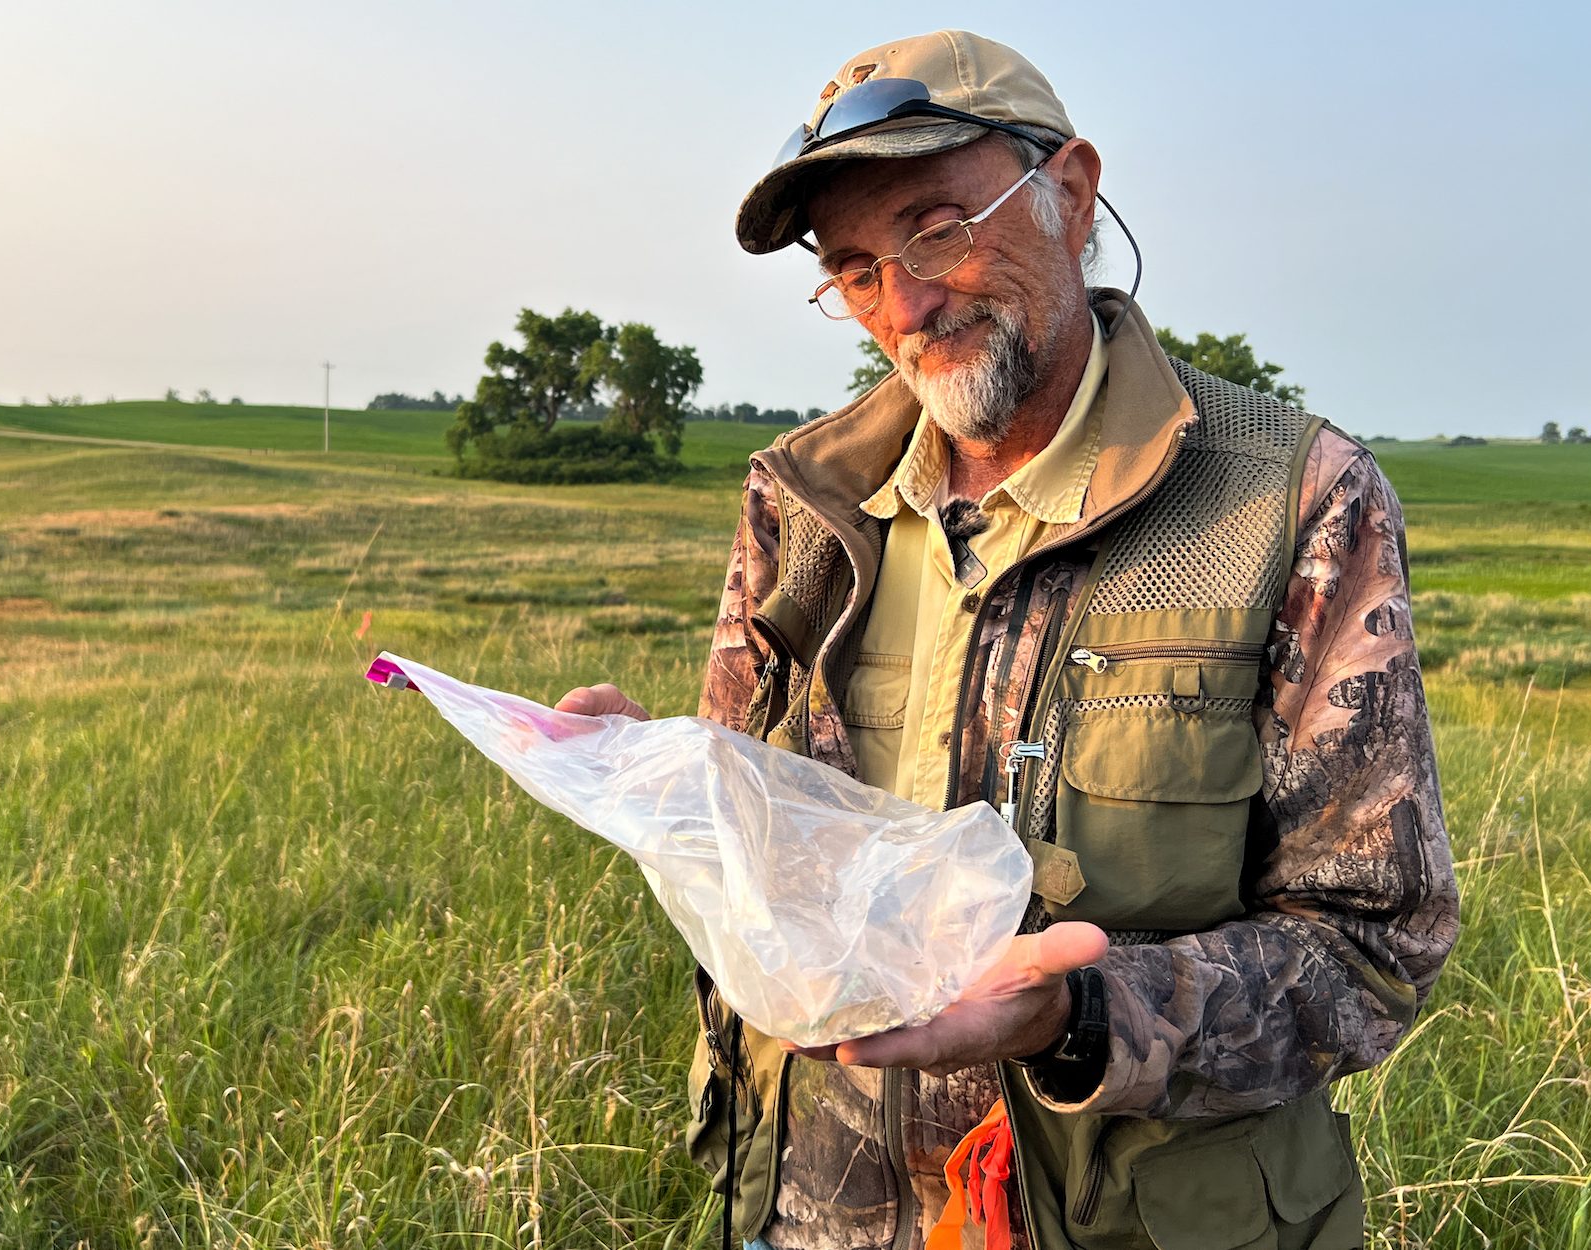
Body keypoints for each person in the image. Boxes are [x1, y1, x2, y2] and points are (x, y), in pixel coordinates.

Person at [558, 28, 1457, 1250]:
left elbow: (1371, 947)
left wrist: (1076, 1014)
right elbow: (759, 852)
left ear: (1070, 194)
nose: (904, 304)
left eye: (935, 229)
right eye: (855, 269)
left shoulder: (1289, 501)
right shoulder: (802, 502)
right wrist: (660, 787)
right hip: (819, 1211)